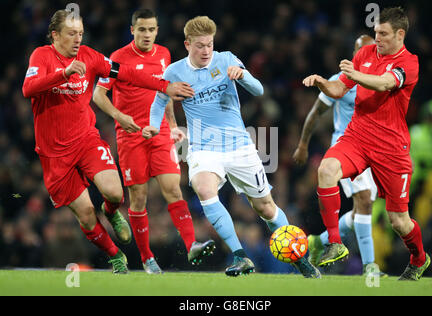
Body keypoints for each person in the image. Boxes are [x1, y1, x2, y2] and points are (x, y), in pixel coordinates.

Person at [143, 16, 320, 278]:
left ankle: (300, 259)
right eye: (200, 46)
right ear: (187, 44)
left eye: (210, 45)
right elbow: (159, 101)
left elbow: (259, 90)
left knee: (266, 208)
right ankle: (240, 256)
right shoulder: (174, 72)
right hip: (203, 147)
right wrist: (156, 126)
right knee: (204, 188)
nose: (206, 51)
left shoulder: (226, 59)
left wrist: (243, 76)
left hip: (239, 146)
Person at [22, 8, 194, 273]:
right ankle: (115, 256)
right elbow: (28, 88)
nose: (78, 39)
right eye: (71, 34)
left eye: (80, 33)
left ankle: (112, 211)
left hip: (86, 141)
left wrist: (163, 86)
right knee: (87, 215)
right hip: (54, 153)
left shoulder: (89, 56)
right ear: (55, 35)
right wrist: (64, 73)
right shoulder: (42, 56)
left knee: (115, 193)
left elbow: (126, 73)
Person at [302, 7, 430, 280]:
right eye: (375, 33)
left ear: (400, 34)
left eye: (383, 34)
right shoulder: (364, 55)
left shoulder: (409, 62)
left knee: (399, 221)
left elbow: (384, 84)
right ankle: (335, 243)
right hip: (358, 137)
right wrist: (323, 83)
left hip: (391, 147)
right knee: (325, 171)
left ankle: (419, 258)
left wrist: (355, 74)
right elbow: (339, 89)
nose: (378, 39)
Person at [93, 9, 215, 274]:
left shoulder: (164, 55)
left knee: (173, 189)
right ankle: (147, 259)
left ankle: (192, 243)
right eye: (142, 30)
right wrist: (118, 116)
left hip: (159, 132)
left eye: (151, 30)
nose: (147, 34)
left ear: (157, 31)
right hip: (130, 135)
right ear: (132, 30)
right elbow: (99, 95)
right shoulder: (117, 58)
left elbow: (165, 92)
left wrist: (172, 126)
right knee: (138, 198)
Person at [293, 35, 387, 277]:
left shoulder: (381, 82)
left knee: (360, 212)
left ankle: (317, 242)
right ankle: (370, 269)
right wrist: (303, 144)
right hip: (347, 149)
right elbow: (315, 113)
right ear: (356, 54)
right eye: (362, 52)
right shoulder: (341, 82)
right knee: (364, 201)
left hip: (373, 150)